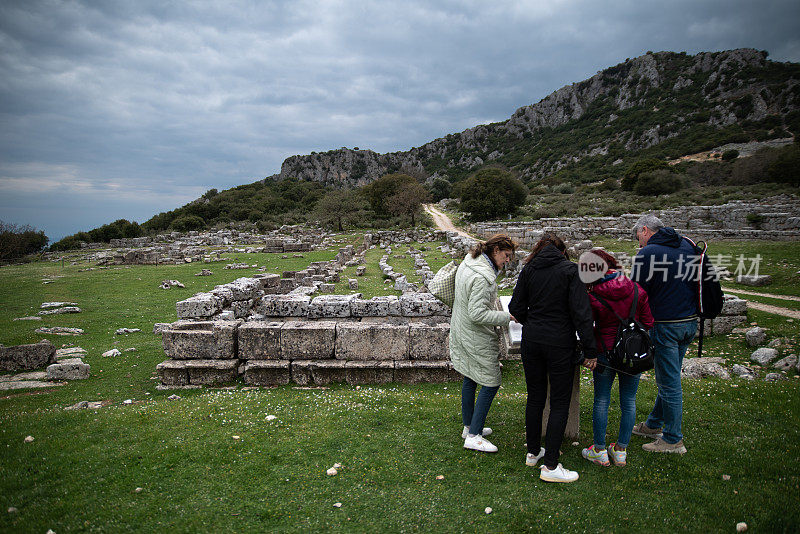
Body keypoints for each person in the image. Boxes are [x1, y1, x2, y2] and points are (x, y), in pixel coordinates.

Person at [509, 233, 598, 483]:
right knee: (559, 401)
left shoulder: (529, 270)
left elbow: (515, 307)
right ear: (563, 252)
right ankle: (550, 467)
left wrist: (534, 323)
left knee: (535, 397)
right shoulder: (570, 271)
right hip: (560, 342)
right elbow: (582, 314)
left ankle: (533, 451)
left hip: (532, 340)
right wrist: (590, 351)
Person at [630, 214, 698, 454]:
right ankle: (653, 425)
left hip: (666, 325)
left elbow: (635, 292)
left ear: (645, 230)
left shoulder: (647, 254)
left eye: (637, 234)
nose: (637, 240)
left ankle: (672, 439)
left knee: (669, 383)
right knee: (670, 377)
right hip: (690, 323)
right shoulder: (687, 245)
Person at [581, 249, 654, 468]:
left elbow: (588, 324)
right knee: (629, 401)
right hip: (632, 353)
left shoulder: (593, 294)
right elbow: (649, 322)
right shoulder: (636, 289)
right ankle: (621, 450)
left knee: (601, 399)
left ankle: (600, 450)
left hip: (604, 351)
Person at [450, 234, 517, 453]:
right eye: (506, 256)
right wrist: (506, 317)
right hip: (475, 335)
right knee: (491, 381)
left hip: (461, 328)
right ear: (495, 250)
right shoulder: (483, 277)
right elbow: (477, 313)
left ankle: (469, 425)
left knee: (470, 376)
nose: (508, 260)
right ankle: (474, 435)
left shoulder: (470, 261)